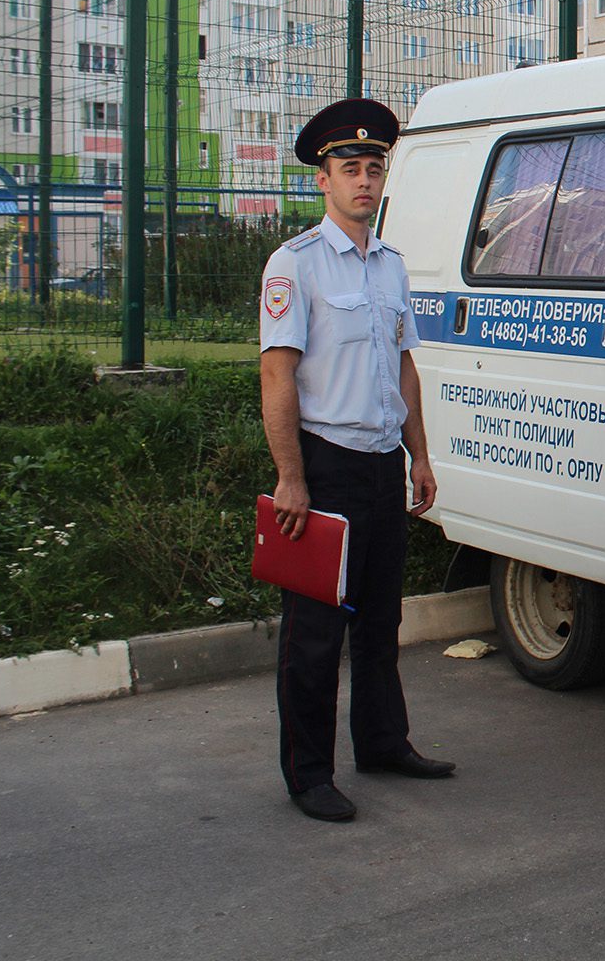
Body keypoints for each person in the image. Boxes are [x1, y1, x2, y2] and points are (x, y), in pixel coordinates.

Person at [258, 97, 451, 824]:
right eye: (349, 168)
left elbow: (405, 369)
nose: (364, 179)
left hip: (379, 465)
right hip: (326, 465)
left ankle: (382, 743)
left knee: (378, 623)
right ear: (323, 181)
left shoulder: (392, 267)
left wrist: (419, 456)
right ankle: (308, 773)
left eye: (374, 167)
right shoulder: (296, 265)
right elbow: (277, 377)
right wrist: (291, 478)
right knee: (315, 632)